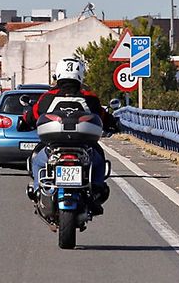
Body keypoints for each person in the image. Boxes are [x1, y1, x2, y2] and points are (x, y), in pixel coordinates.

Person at [22, 57, 117, 215]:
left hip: (53, 148)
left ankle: (39, 190)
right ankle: (96, 188)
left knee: (37, 162)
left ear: (58, 74)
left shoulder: (47, 97)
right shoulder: (90, 98)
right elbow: (103, 116)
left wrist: (24, 122)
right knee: (99, 159)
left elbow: (32, 115)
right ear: (81, 75)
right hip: (84, 148)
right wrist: (113, 123)